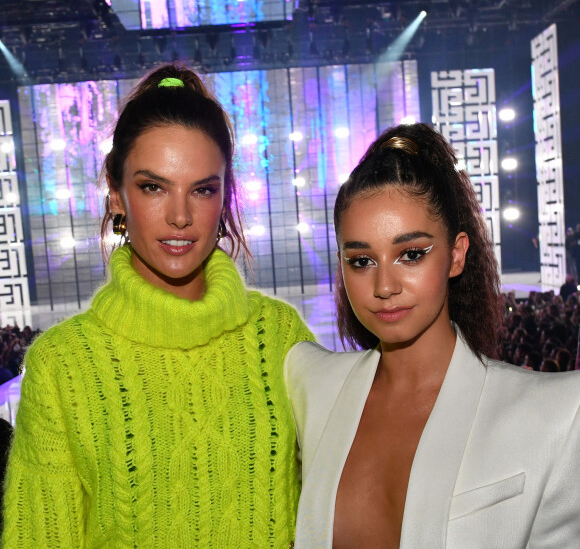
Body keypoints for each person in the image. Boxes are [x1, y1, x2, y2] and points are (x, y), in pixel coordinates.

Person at [3, 64, 314, 547]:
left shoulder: (279, 337)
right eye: (153, 186)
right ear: (116, 194)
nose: (180, 216)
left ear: (225, 196)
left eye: (202, 189)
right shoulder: (62, 367)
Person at [284, 123, 580, 548]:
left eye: (411, 254)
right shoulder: (309, 380)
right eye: (362, 260)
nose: (385, 285)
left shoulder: (558, 414)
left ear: (456, 254)